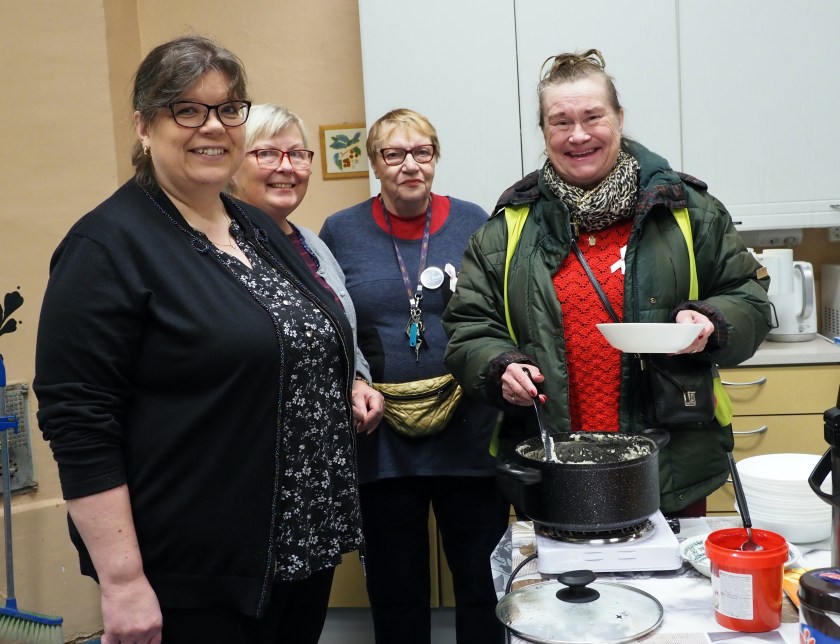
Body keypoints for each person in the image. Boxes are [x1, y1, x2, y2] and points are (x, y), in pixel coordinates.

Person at [34, 36, 362, 644]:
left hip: (301, 550)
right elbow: (79, 422)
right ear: (143, 124)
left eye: (228, 108)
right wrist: (123, 581)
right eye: (186, 109)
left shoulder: (256, 226)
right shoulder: (107, 247)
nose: (211, 125)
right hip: (196, 575)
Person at [443, 50, 772, 518]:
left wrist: (713, 321)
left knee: (667, 592)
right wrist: (499, 366)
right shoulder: (508, 229)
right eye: (560, 122)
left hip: (669, 465)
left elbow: (750, 299)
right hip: (554, 468)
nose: (578, 135)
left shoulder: (687, 211)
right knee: (563, 592)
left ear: (619, 119)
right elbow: (468, 326)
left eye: (592, 116)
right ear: (544, 132)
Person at [320, 108, 510, 644]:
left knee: (483, 582)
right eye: (393, 154)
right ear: (375, 164)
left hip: (468, 430)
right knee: (396, 586)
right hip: (382, 438)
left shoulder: (473, 220)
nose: (409, 165)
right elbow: (334, 319)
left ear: (435, 158)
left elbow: (497, 310)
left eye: (421, 152)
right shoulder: (341, 230)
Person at [229, 103, 383, 434]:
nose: (286, 167)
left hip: (330, 444)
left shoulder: (314, 245)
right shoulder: (218, 249)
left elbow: (340, 332)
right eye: (268, 154)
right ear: (232, 165)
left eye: (297, 154)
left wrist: (357, 380)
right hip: (258, 444)